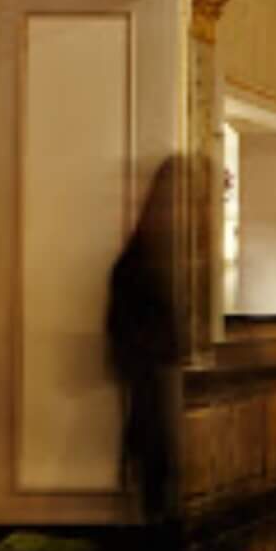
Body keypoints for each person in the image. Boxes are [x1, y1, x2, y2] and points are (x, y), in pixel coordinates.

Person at [107, 154, 190, 531]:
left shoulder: (166, 259)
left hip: (160, 380)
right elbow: (124, 333)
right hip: (152, 382)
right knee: (158, 482)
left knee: (164, 482)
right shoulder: (141, 262)